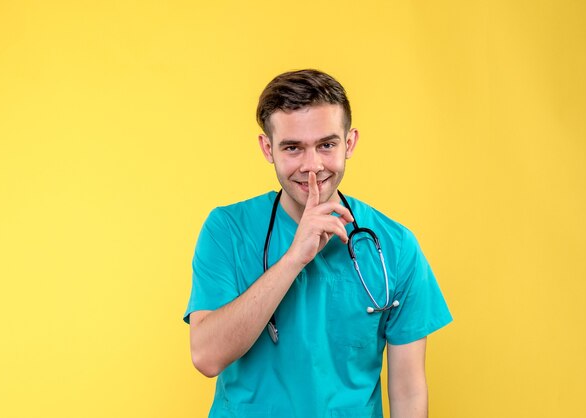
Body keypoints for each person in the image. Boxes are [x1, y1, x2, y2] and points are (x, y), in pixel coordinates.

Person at [184, 69, 452, 418]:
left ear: (350, 143)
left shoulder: (395, 247)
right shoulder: (228, 230)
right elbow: (206, 356)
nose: (313, 167)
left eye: (326, 145)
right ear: (268, 149)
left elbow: (408, 391)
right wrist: (295, 257)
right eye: (293, 148)